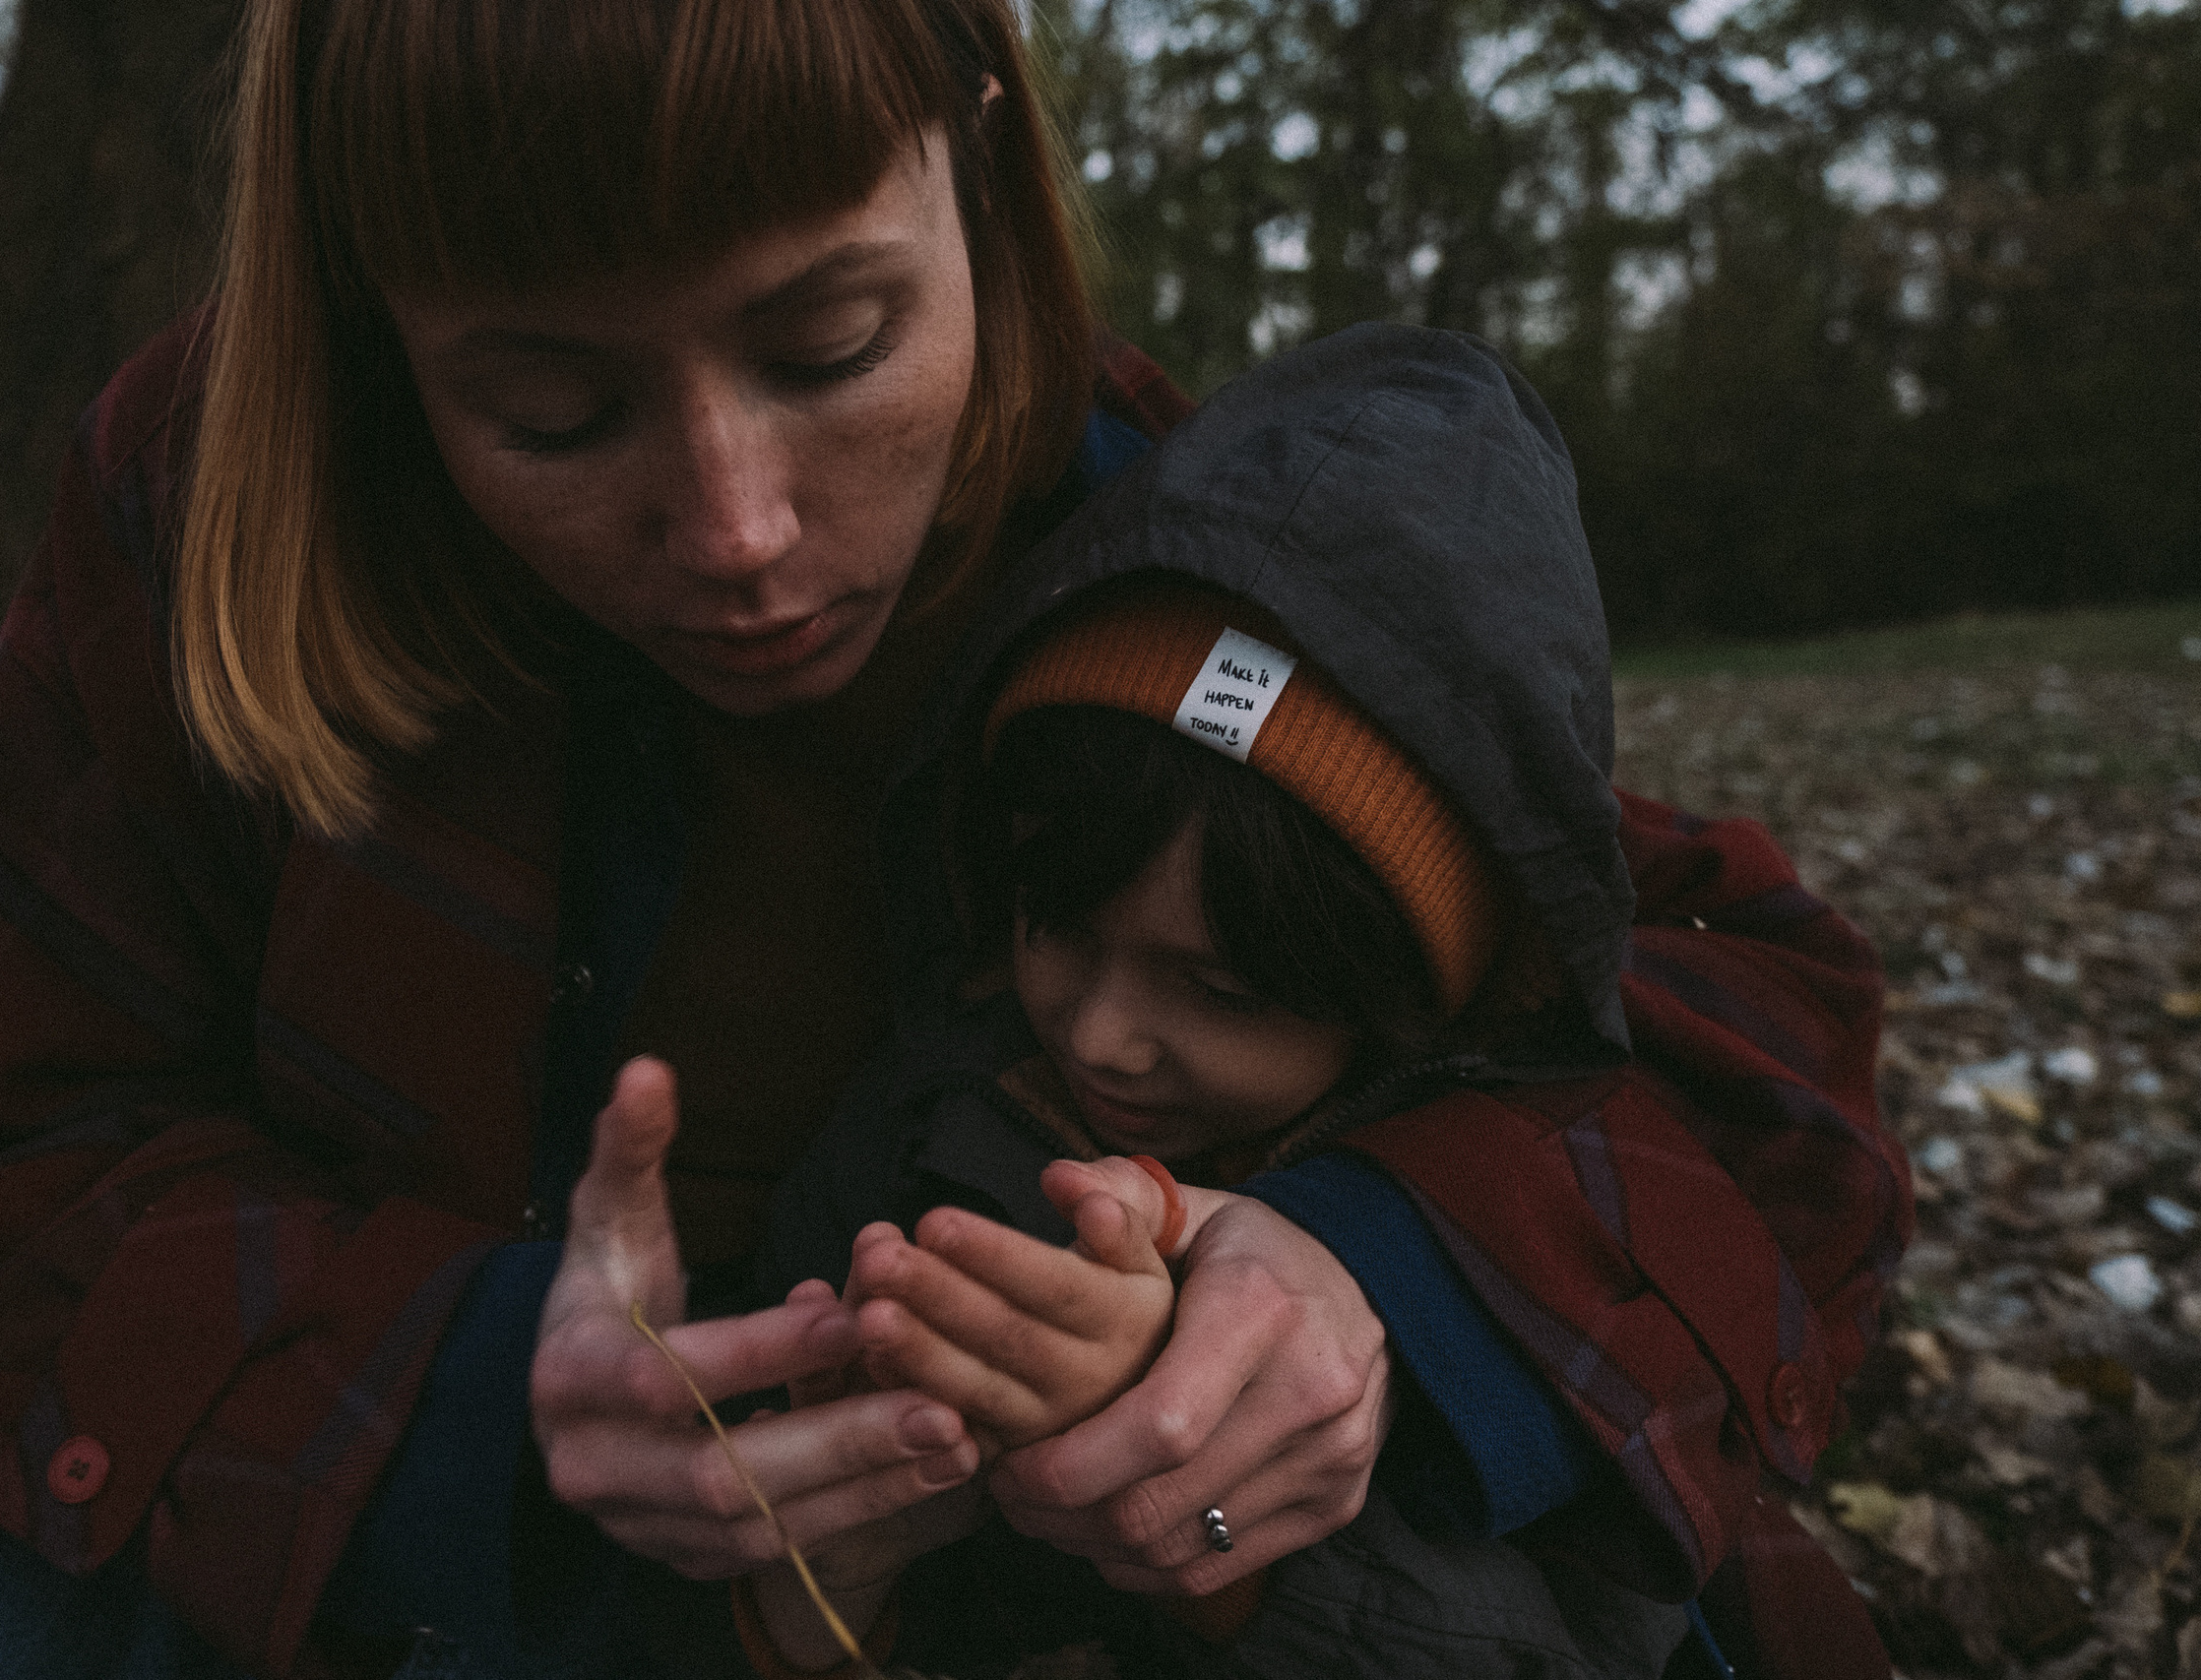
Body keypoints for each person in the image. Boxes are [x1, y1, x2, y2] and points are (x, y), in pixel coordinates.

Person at [0, 2, 1908, 1677]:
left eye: (834, 342)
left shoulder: (1190, 569)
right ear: (373, 327)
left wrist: (1372, 1279)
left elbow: (1740, 1026)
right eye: (547, 409)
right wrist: (474, 1395)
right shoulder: (198, 526)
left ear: (979, 155)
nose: (734, 531)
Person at [735, 327, 1875, 1680]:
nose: (1099, 1031)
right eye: (1058, 924)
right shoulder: (917, 1142)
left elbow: (1585, 1637)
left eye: (1219, 988)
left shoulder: (1542, 1253)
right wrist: (825, 1571)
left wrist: (1211, 1552)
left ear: (1404, 995)